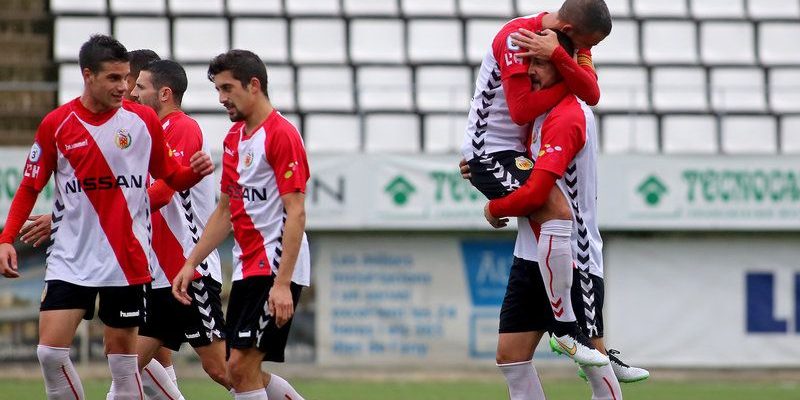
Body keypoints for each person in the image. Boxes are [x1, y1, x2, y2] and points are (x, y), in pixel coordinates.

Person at [0, 34, 213, 400]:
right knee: (49, 353)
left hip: (126, 259)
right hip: (71, 257)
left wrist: (195, 172)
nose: (123, 87)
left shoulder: (143, 121)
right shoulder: (57, 124)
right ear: (88, 76)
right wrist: (7, 238)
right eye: (114, 78)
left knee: (123, 366)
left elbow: (170, 177)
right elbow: (30, 185)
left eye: (127, 78)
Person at [461, 0, 649, 385]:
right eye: (581, 45)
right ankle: (570, 333)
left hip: (513, 157)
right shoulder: (519, 40)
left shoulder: (569, 47)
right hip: (493, 151)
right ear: (566, 27)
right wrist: (489, 189)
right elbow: (521, 109)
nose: (584, 53)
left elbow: (591, 92)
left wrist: (563, 62)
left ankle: (578, 337)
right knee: (559, 215)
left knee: (557, 220)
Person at [172, 49, 310, 400]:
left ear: (254, 85)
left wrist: (281, 284)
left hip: (275, 267)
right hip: (249, 268)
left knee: (239, 369)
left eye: (227, 88)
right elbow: (225, 211)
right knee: (240, 369)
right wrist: (191, 262)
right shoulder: (234, 139)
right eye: (218, 90)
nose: (221, 98)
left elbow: (296, 212)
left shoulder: (281, 134)